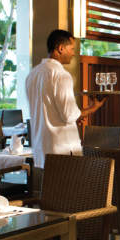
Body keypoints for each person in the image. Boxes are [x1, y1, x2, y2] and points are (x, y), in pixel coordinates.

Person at [25, 29, 106, 169]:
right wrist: (93, 108)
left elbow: (46, 110)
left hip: (40, 149)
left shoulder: (32, 75)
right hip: (62, 149)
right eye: (72, 49)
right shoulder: (61, 75)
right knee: (72, 184)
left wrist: (74, 117)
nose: (74, 53)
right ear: (61, 48)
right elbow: (69, 115)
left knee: (47, 184)